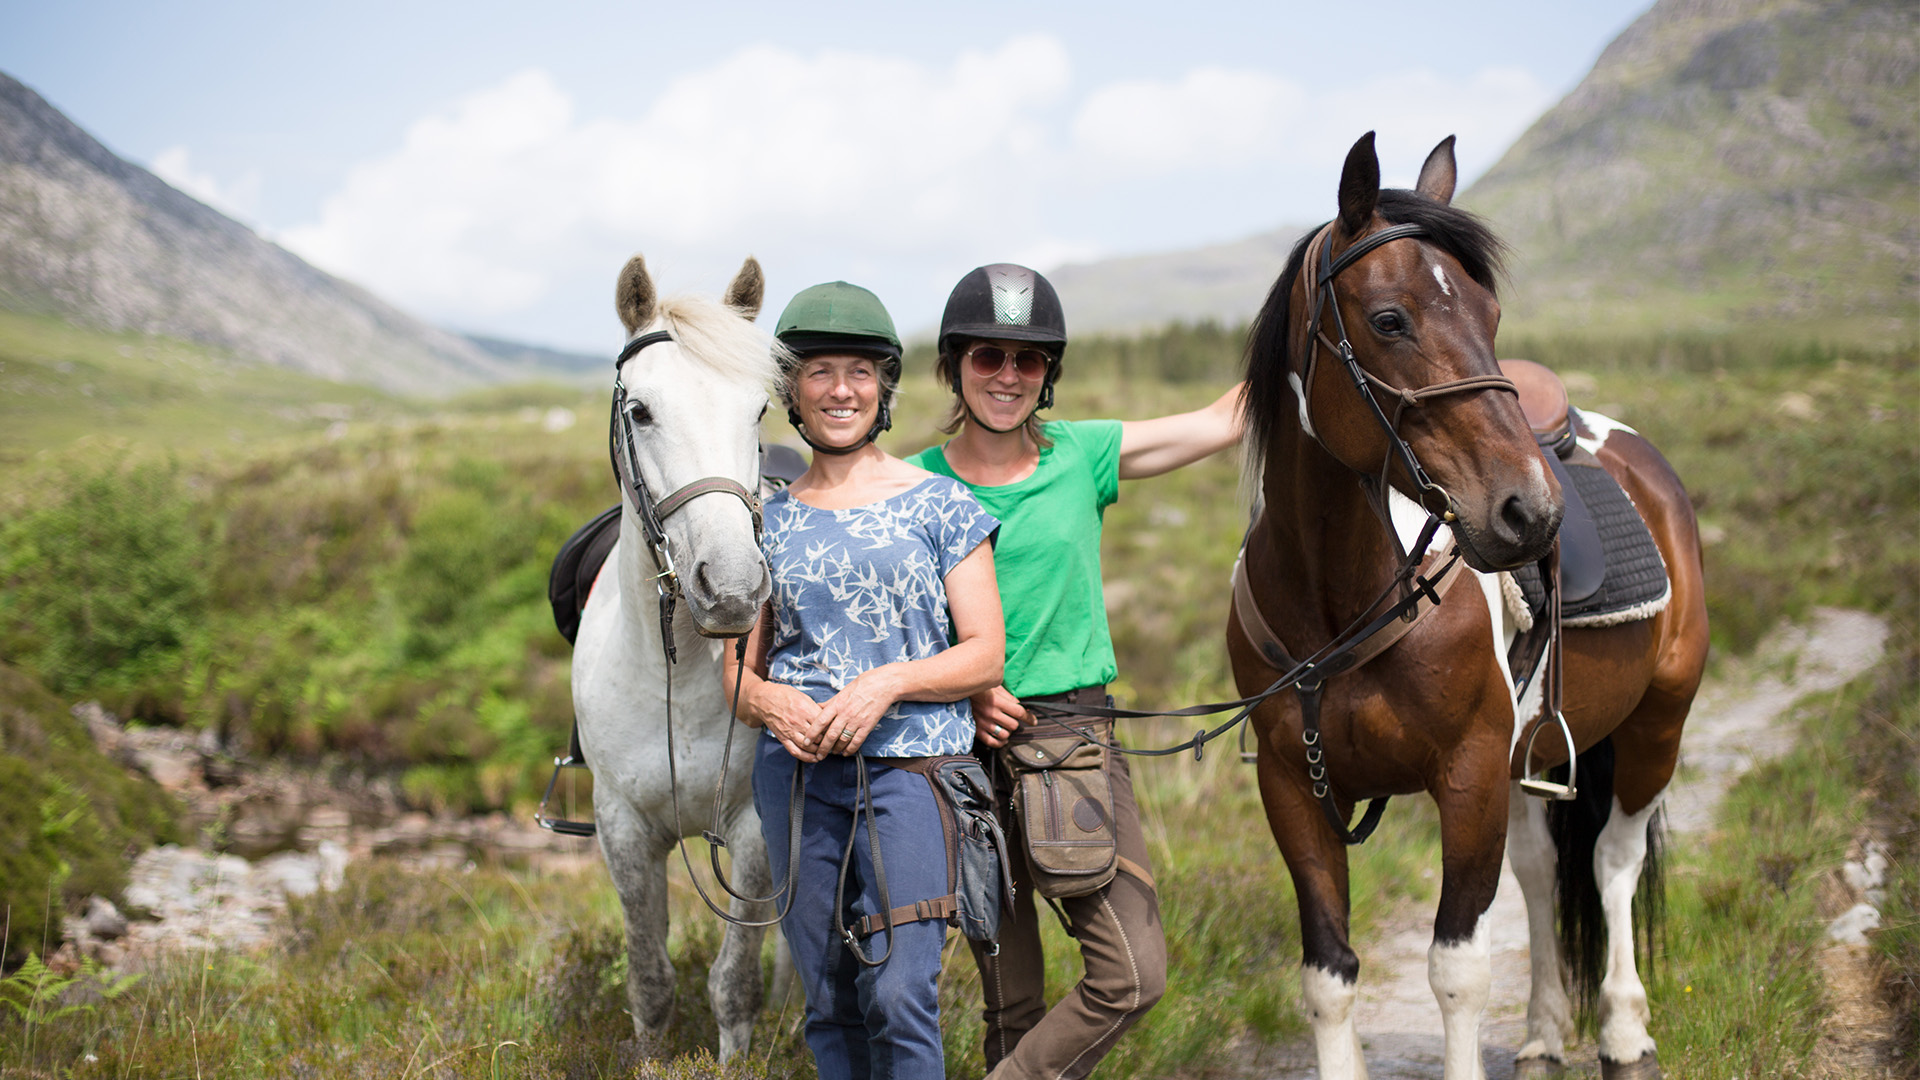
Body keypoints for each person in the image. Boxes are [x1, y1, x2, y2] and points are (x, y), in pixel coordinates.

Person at [905, 263, 1244, 1080]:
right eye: (989, 356)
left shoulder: (1082, 454)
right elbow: (902, 626)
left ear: (1049, 372)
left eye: (1029, 360)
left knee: (1130, 974)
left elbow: (1222, 420)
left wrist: (1315, 307)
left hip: (1074, 743)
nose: (1009, 376)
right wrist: (969, 689)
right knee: (1010, 1001)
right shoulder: (915, 482)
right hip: (964, 757)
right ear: (955, 365)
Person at [725, 281, 1005, 1080]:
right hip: (798, 781)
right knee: (828, 998)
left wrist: (885, 685)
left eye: (859, 371)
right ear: (791, 391)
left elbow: (985, 654)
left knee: (900, 993)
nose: (840, 389)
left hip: (911, 777)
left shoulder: (942, 504)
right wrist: (770, 699)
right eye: (818, 371)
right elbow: (737, 674)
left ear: (884, 388)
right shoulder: (766, 520)